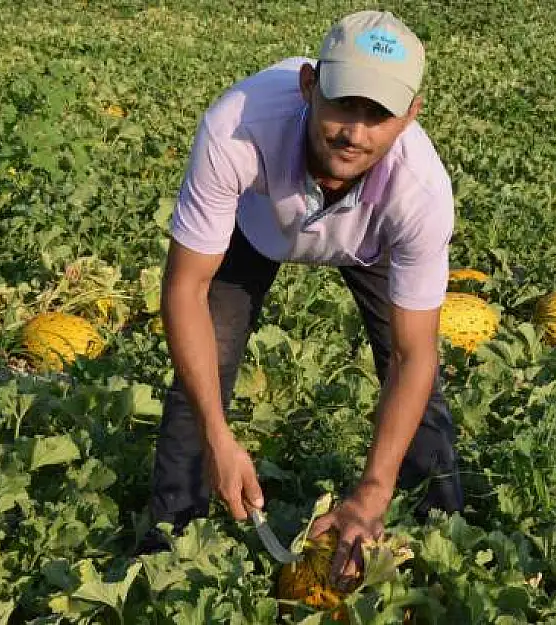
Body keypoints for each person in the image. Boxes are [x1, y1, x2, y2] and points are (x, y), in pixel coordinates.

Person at [140, 10, 464, 583]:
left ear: (411, 115)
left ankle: (438, 538)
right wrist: (220, 436)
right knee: (203, 370)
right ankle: (167, 549)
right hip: (254, 226)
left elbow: (416, 355)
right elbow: (185, 287)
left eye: (380, 115)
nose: (355, 133)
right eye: (343, 104)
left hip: (370, 240)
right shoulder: (238, 128)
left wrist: (370, 489)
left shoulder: (421, 192)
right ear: (309, 85)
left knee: (410, 372)